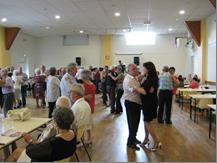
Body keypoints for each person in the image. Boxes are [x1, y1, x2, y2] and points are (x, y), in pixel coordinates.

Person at [7, 108, 77, 162]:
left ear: (56, 123)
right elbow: (43, 146)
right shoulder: (72, 134)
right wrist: (34, 141)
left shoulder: (54, 142)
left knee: (17, 152)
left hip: (47, 160)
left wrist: (30, 140)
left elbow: (30, 151)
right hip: (60, 157)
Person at [135, 62, 162, 151]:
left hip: (150, 103)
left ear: (148, 69)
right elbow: (145, 88)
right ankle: (146, 139)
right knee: (146, 121)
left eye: (144, 68)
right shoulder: (148, 77)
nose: (143, 70)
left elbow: (146, 91)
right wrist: (141, 77)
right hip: (147, 102)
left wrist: (134, 87)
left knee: (147, 122)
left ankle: (157, 141)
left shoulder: (152, 79)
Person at [123, 63, 141, 150]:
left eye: (136, 68)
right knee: (132, 124)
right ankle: (130, 143)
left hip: (136, 103)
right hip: (131, 103)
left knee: (136, 123)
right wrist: (143, 90)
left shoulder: (134, 78)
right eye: (134, 69)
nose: (136, 70)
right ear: (128, 71)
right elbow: (133, 89)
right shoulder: (128, 80)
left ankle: (134, 138)